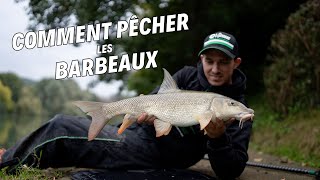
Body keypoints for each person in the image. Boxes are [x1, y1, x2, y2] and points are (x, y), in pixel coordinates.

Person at [0, 31, 252, 179]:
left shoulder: (236, 109)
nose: (215, 69)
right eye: (209, 61)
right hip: (140, 137)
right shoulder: (186, 75)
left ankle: (9, 159)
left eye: (223, 62)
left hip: (154, 155)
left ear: (236, 63)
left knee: (60, 126)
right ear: (202, 59)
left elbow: (231, 171)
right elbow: (154, 100)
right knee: (70, 132)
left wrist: (218, 139)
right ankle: (13, 156)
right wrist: (132, 119)